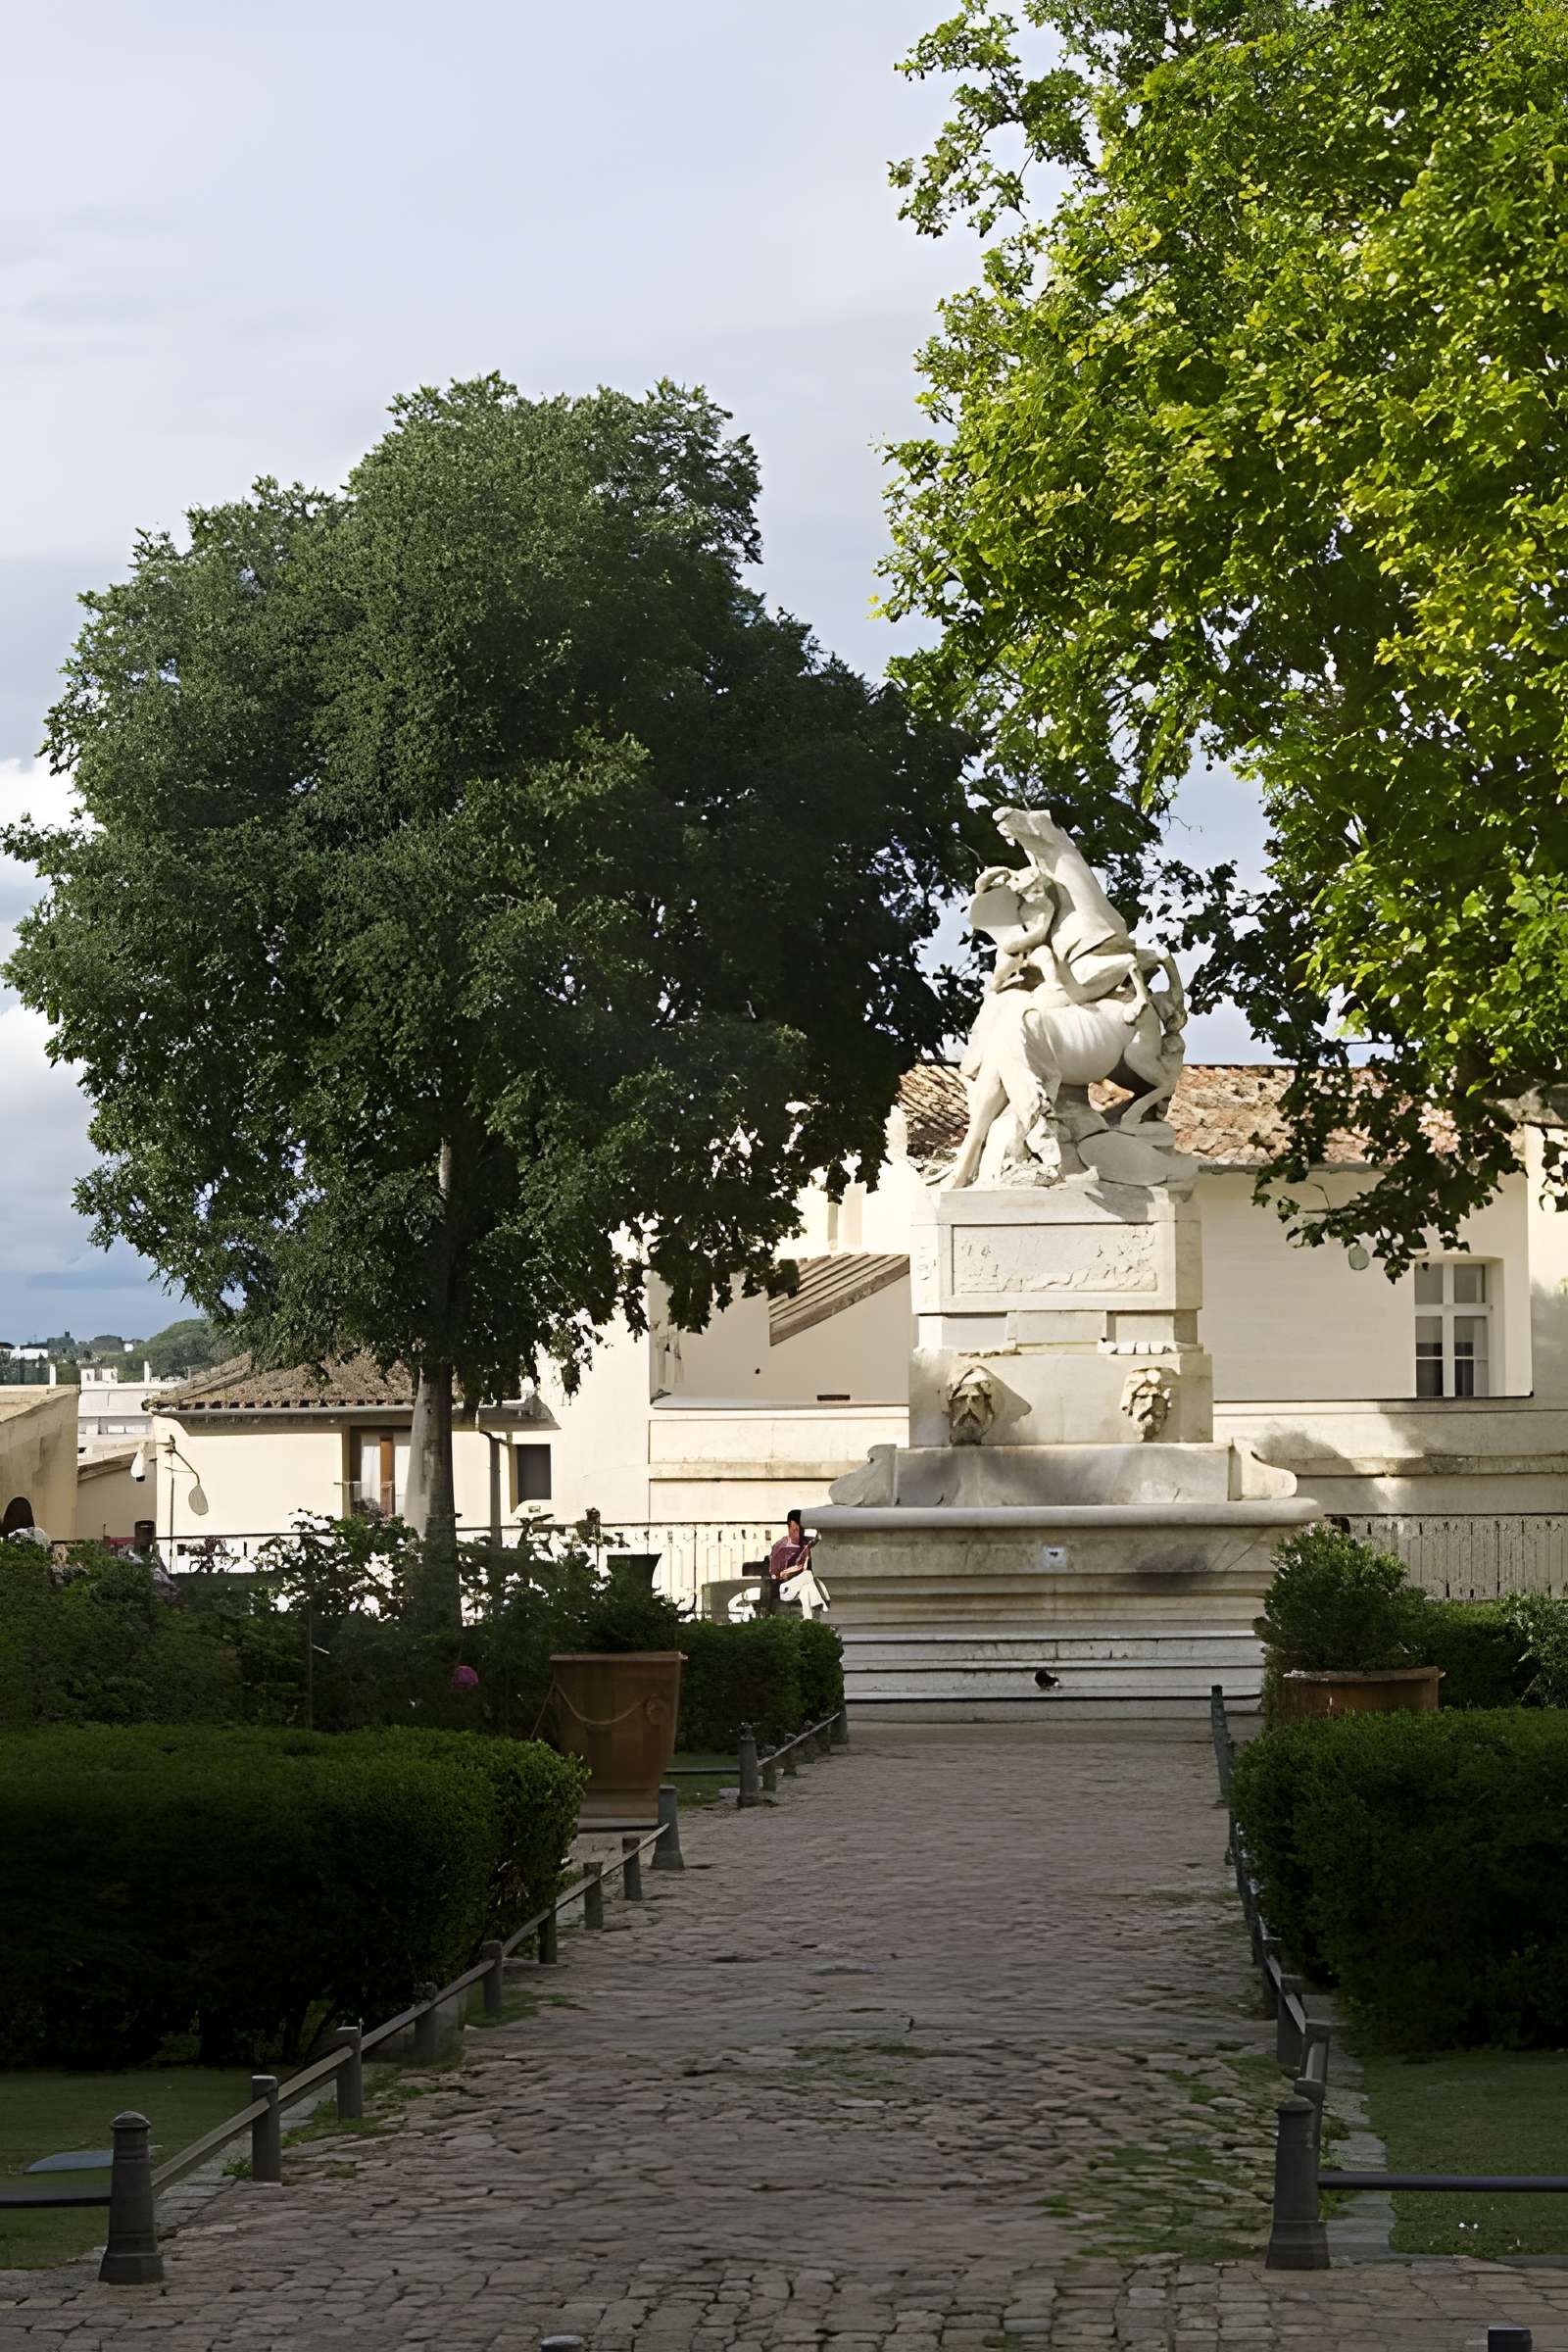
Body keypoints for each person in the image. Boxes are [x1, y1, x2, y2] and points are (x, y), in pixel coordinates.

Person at [760, 1509, 813, 1616]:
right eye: (795, 1530)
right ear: (789, 1528)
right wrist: (796, 1570)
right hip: (788, 1586)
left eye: (801, 1530)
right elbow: (776, 1576)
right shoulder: (781, 1548)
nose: (799, 1534)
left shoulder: (809, 1543)